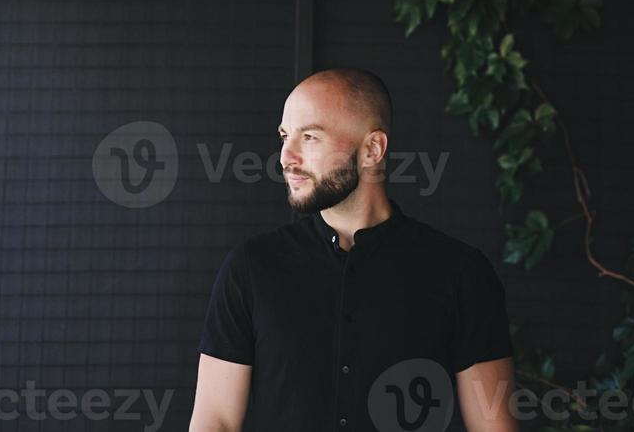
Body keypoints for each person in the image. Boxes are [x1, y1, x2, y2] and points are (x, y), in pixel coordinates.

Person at [189, 68, 519, 432]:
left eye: (310, 137)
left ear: (372, 149)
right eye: (285, 136)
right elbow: (214, 421)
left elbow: (494, 428)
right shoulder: (250, 269)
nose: (286, 157)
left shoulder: (461, 273)